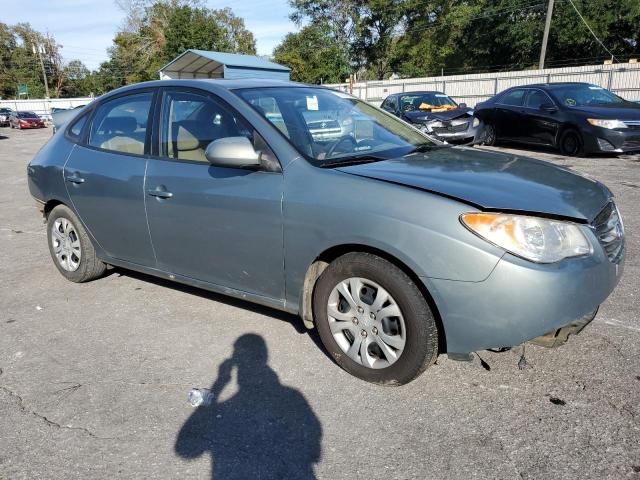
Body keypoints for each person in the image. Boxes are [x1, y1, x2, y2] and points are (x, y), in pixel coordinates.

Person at [175, 334, 322, 479]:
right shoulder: (293, 396)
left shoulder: (231, 410)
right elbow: (315, 446)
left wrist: (219, 383)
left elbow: (186, 448)